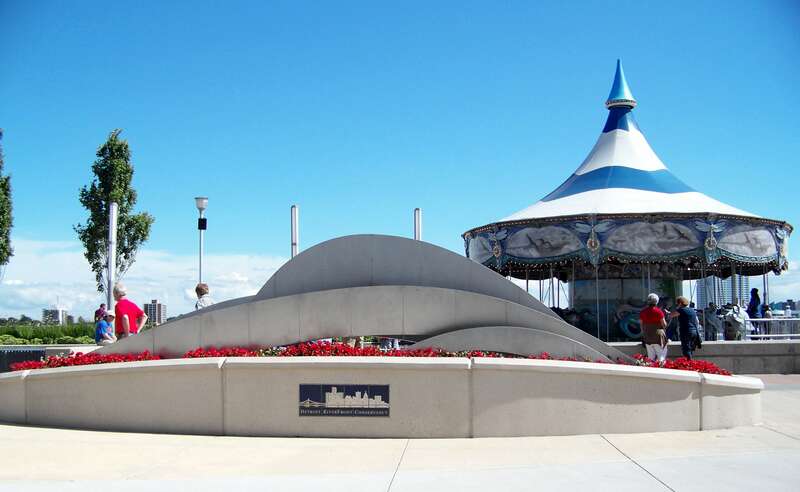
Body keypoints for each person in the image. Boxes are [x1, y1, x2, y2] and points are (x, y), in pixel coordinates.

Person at [639, 293, 668, 365]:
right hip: (658, 337)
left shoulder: (643, 312)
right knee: (661, 355)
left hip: (647, 336)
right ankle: (661, 370)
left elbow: (641, 324)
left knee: (650, 357)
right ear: (657, 301)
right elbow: (664, 324)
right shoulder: (659, 311)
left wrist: (644, 333)